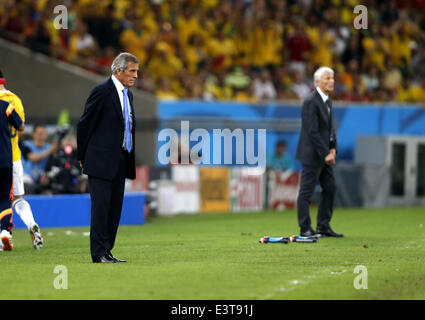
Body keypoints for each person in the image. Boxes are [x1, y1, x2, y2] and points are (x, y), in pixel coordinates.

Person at [77, 52, 138, 263]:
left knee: (114, 210)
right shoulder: (101, 92)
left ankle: (107, 251)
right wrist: (82, 156)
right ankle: (98, 253)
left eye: (136, 71)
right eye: (132, 71)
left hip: (121, 160)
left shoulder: (128, 95)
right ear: (118, 70)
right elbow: (85, 124)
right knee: (101, 209)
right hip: (100, 160)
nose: (136, 75)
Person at [295, 66, 343, 238]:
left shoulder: (328, 101)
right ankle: (305, 228)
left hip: (325, 154)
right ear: (317, 82)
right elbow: (312, 131)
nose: (332, 81)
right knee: (306, 192)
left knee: (330, 188)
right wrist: (326, 153)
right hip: (312, 154)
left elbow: (329, 129)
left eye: (332, 78)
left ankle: (323, 226)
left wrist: (333, 148)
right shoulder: (310, 102)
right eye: (327, 78)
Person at [0, 70, 44, 249]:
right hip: (13, 157)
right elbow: (21, 128)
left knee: (2, 198)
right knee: (17, 198)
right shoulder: (15, 100)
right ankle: (31, 223)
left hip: (3, 156)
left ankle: (4, 233)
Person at [0, 99, 24, 251]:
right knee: (4, 197)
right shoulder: (5, 106)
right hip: (4, 158)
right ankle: (4, 231)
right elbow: (20, 125)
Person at [21, 124, 59, 193]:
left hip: (41, 178)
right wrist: (51, 150)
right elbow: (34, 159)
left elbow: (54, 162)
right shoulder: (26, 145)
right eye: (39, 133)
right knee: (28, 186)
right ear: (33, 134)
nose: (41, 135)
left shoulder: (49, 147)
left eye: (43, 133)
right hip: (27, 177)